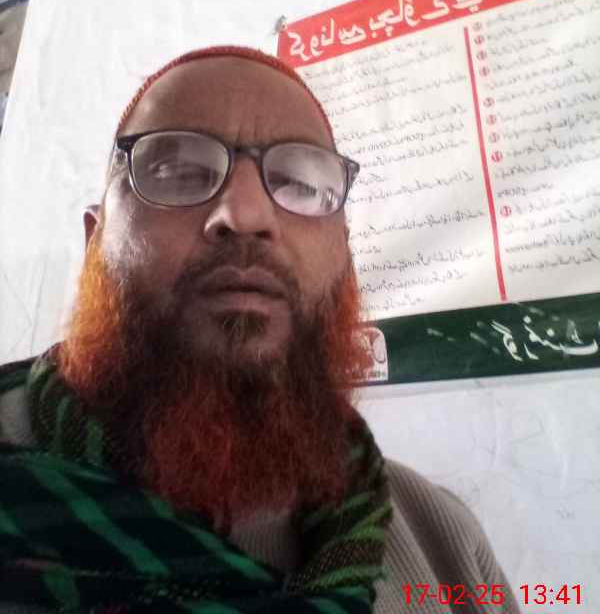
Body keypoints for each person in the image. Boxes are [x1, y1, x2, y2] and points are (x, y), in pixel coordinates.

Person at [0, 46, 520, 613]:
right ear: (94, 241)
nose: (245, 216)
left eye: (299, 182)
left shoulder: (442, 541)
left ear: (344, 260)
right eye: (177, 172)